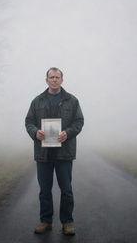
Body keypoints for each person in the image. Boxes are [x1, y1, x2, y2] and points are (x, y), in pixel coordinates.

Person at [25, 67, 84, 235]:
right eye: (51, 77)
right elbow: (29, 121)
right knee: (45, 190)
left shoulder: (72, 101)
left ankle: (67, 223)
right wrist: (35, 132)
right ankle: (45, 221)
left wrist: (69, 133)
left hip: (64, 153)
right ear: (46, 80)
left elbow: (79, 122)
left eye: (57, 77)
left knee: (66, 190)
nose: (54, 80)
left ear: (62, 80)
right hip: (43, 154)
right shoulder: (37, 101)